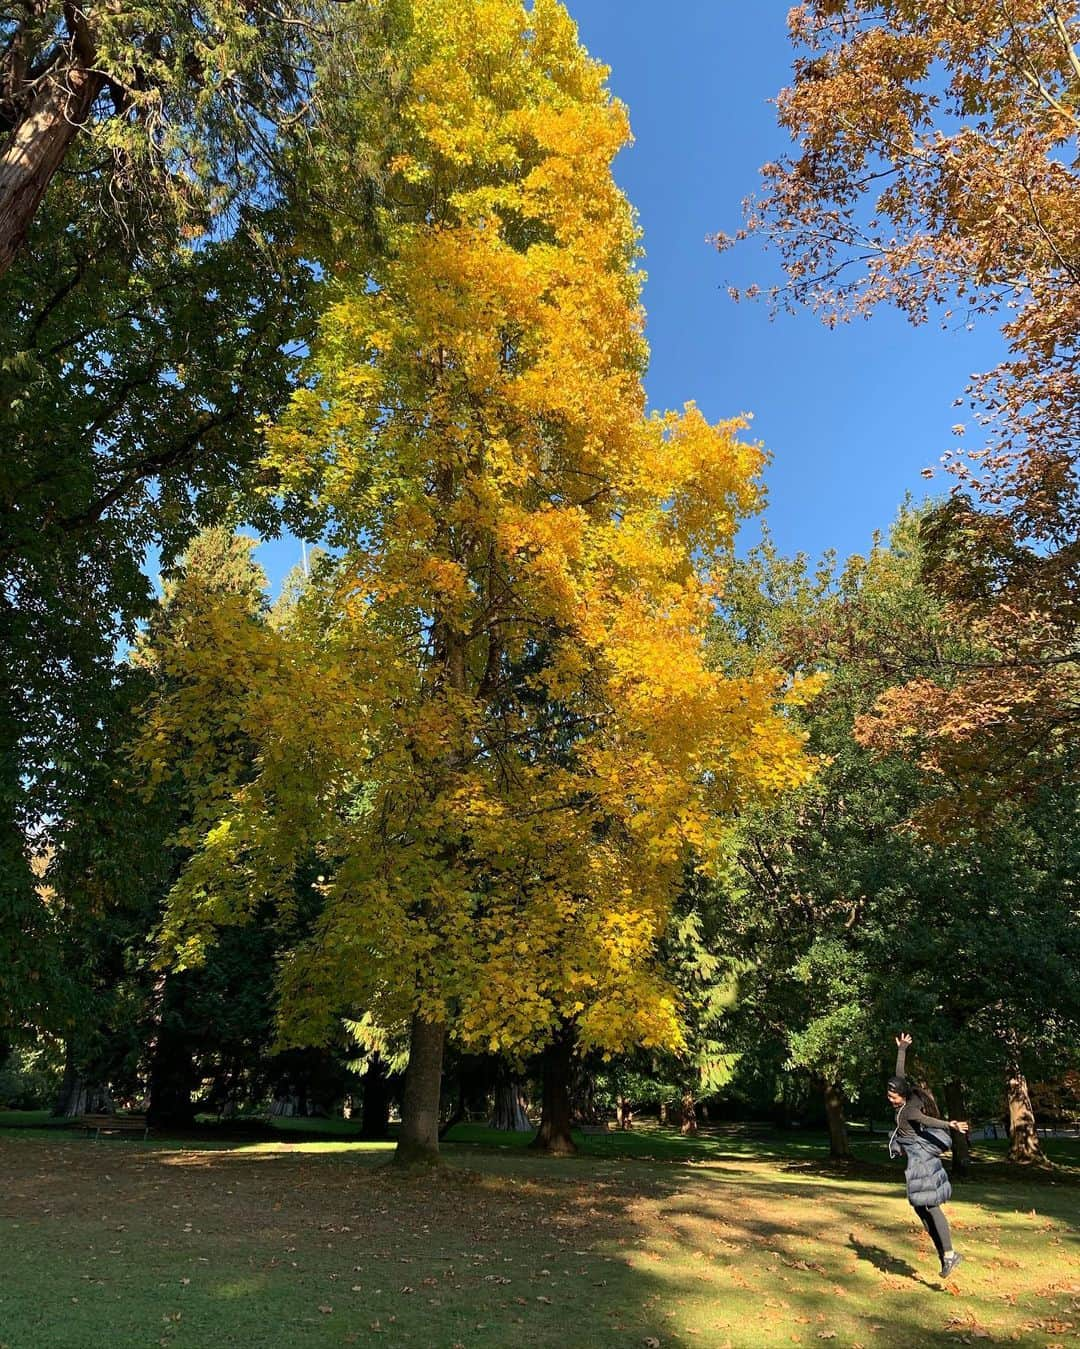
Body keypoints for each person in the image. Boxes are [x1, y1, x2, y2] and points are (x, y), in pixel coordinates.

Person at [886, 1031, 970, 1279]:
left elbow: (926, 1119)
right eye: (889, 1094)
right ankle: (945, 1256)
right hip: (914, 1158)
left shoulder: (910, 1109)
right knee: (921, 1209)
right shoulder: (904, 1096)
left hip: (922, 1160)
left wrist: (951, 1125)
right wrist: (902, 1049)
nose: (889, 1099)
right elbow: (899, 1073)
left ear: (902, 1096)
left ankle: (949, 1255)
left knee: (931, 1207)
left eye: (892, 1096)